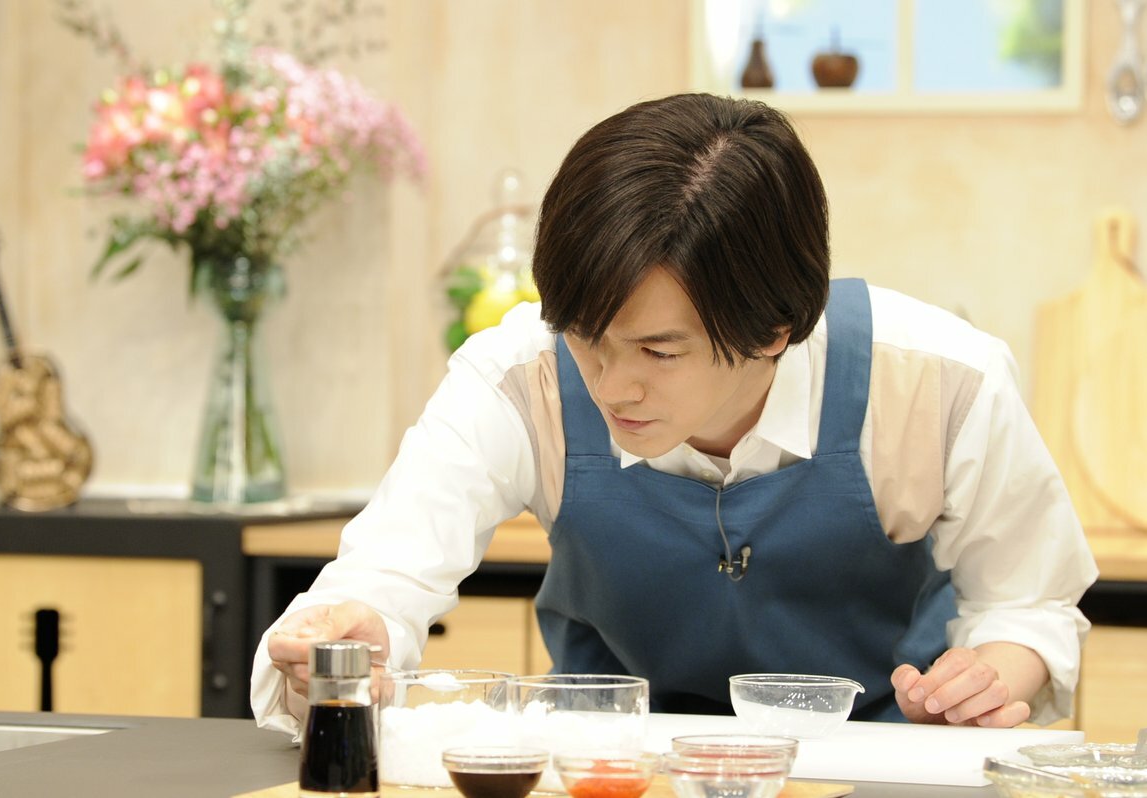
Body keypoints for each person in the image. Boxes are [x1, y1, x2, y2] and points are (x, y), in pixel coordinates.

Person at [252, 93, 1097, 736]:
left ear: (774, 329)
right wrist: (343, 642)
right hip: (608, 764)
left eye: (658, 352)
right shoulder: (516, 378)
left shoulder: (941, 383)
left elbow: (1029, 602)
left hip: (875, 762)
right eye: (585, 337)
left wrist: (989, 676)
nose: (610, 387)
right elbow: (384, 580)